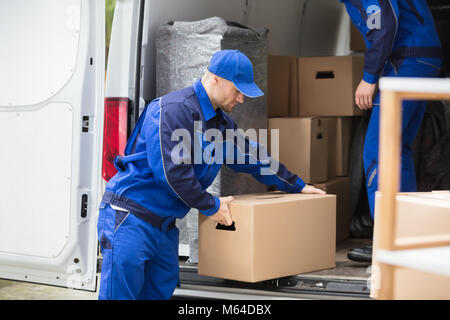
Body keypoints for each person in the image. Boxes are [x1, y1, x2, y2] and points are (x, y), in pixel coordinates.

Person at [97, 49, 325, 300]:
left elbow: (252, 157)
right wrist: (211, 205)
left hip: (164, 228)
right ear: (215, 78)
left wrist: (296, 185)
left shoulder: (221, 124)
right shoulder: (173, 110)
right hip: (132, 219)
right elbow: (172, 175)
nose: (241, 99)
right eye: (237, 91)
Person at [340, 0, 442, 262]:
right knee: (398, 151)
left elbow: (385, 24)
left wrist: (369, 77)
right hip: (420, 58)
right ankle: (406, 237)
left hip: (407, 60)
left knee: (379, 152)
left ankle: (387, 241)